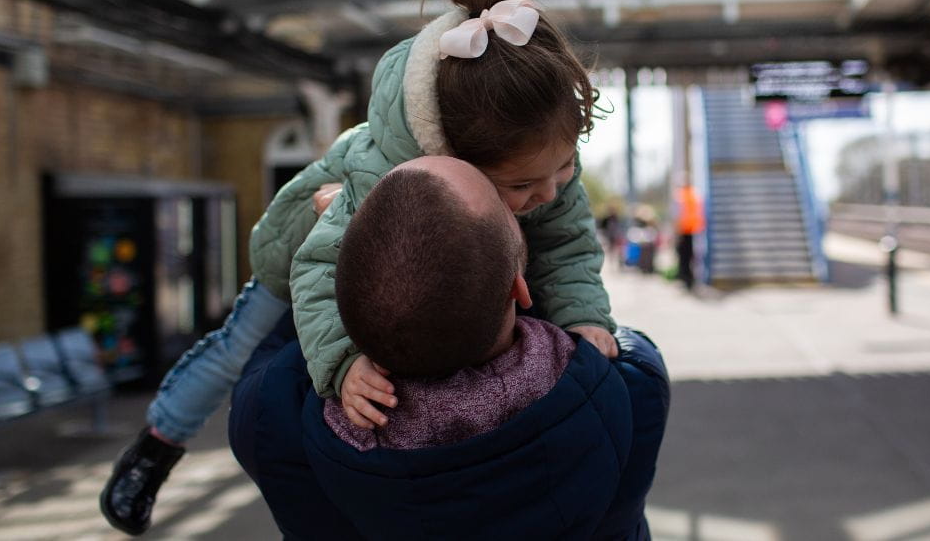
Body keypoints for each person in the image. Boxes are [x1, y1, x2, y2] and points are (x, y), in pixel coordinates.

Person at [101, 0, 619, 535]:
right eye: (522, 186)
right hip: (303, 255)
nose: (550, 193)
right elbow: (318, 271)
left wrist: (582, 317)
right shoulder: (384, 176)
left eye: (565, 167)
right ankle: (157, 445)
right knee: (236, 350)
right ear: (452, 159)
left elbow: (566, 246)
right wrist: (345, 360)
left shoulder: (539, 161)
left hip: (385, 274)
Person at [228, 156, 670, 539]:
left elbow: (273, 340)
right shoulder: (632, 385)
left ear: (344, 290)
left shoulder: (273, 416)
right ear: (519, 288)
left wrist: (324, 260)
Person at [674, 181, 705, 290]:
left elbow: (677, 215)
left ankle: (686, 279)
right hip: (694, 230)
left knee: (683, 257)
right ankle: (691, 279)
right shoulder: (695, 195)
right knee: (691, 255)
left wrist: (676, 230)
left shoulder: (680, 196)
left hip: (684, 230)